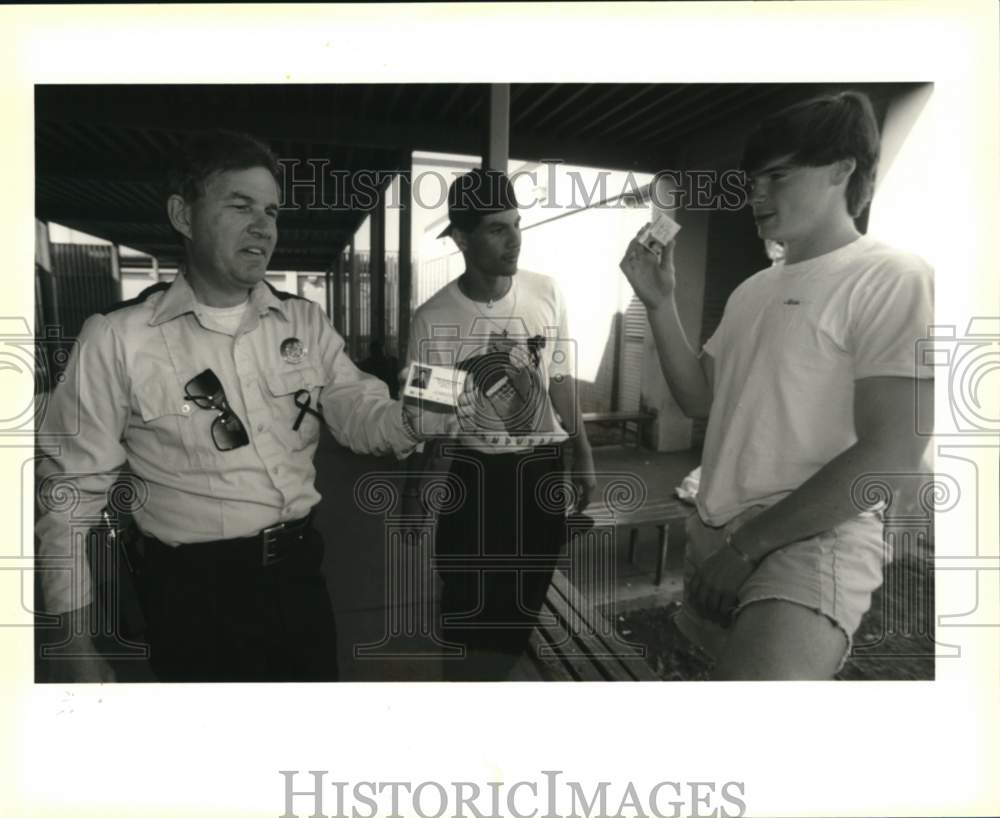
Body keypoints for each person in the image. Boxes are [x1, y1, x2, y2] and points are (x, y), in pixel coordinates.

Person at [34, 129, 460, 683]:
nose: (264, 226)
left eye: (272, 211)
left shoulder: (304, 321)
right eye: (240, 206)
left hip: (300, 576)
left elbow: (355, 405)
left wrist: (409, 418)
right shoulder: (118, 338)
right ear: (182, 216)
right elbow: (70, 494)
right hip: (192, 597)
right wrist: (74, 646)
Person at [619, 91, 933, 680]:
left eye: (778, 176)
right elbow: (700, 400)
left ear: (844, 170)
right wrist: (659, 304)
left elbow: (891, 455)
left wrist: (746, 548)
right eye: (752, 179)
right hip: (719, 531)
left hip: (810, 538)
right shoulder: (753, 289)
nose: (756, 194)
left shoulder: (890, 276)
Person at [405, 168, 597, 681]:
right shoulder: (432, 319)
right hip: (475, 478)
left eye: (517, 225)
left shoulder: (545, 292)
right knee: (467, 601)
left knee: (524, 598)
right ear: (463, 239)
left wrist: (583, 455)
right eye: (497, 229)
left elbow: (560, 380)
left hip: (540, 471)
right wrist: (419, 495)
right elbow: (433, 424)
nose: (515, 240)